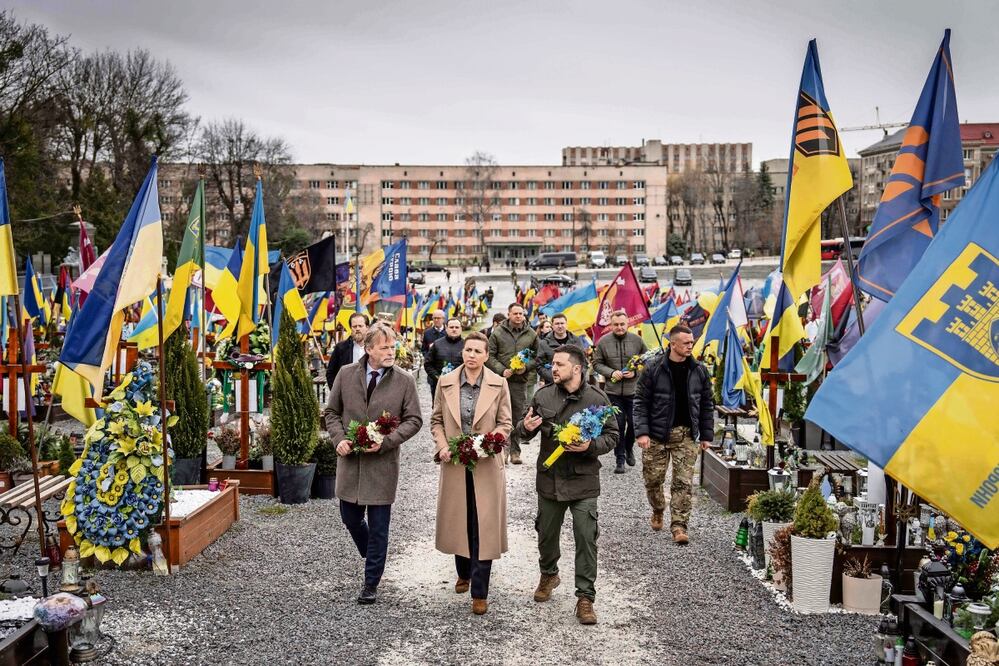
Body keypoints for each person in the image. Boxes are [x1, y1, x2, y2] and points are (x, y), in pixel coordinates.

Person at [515, 344, 618, 625]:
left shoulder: (598, 399)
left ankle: (585, 597)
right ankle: (549, 574)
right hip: (549, 480)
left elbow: (613, 436)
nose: (553, 369)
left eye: (559, 364)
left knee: (586, 538)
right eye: (553, 364)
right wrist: (525, 427)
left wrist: (589, 445)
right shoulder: (543, 394)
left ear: (576, 368)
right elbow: (522, 434)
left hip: (584, 480)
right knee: (546, 534)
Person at [326, 324, 424, 604]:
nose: (391, 352)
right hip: (351, 463)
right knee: (350, 518)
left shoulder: (404, 380)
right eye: (384, 347)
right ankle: (373, 554)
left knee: (380, 527)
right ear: (368, 349)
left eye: (393, 347)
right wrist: (339, 439)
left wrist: (388, 440)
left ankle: (371, 583)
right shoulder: (346, 375)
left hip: (383, 464)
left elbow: (414, 420)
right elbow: (332, 412)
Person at [431, 332, 512, 616]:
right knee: (459, 520)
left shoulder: (499, 383)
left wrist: (489, 443)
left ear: (487, 356)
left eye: (478, 351)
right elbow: (437, 420)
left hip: (486, 465)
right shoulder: (446, 382)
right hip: (455, 463)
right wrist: (442, 446)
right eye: (468, 350)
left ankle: (480, 591)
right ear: (462, 353)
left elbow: (505, 424)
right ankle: (463, 571)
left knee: (482, 526)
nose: (472, 355)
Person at [633, 324, 713, 545]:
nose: (690, 346)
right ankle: (658, 508)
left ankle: (679, 526)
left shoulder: (699, 370)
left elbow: (706, 404)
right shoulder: (653, 369)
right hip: (656, 436)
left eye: (692, 342)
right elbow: (640, 402)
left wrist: (706, 435)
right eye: (686, 343)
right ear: (673, 343)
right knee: (653, 480)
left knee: (683, 483)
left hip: (685, 436)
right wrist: (642, 433)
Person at [592, 310, 648, 474]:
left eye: (622, 324)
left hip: (634, 391)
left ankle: (629, 447)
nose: (619, 327)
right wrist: (610, 372)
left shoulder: (637, 341)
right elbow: (596, 363)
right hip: (613, 392)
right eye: (616, 324)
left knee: (634, 423)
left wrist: (636, 372)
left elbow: (647, 361)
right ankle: (620, 458)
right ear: (611, 325)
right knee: (618, 424)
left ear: (628, 324)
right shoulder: (603, 342)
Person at [486, 303, 539, 465]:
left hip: (519, 382)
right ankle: (501, 450)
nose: (518, 316)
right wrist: (502, 370)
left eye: (521, 313)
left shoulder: (531, 334)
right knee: (498, 415)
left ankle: (515, 451)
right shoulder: (498, 333)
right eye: (515, 313)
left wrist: (526, 367)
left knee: (517, 417)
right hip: (499, 381)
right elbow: (489, 356)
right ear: (508, 314)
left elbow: (538, 356)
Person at [425, 317, 465, 402]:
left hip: (460, 386)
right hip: (439, 385)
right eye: (451, 327)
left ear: (461, 329)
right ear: (446, 328)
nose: (454, 329)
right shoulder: (437, 344)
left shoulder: (466, 345)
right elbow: (428, 364)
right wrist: (437, 377)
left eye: (457, 327)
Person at [537, 313, 582, 386]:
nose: (560, 326)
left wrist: (576, 377)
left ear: (566, 324)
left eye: (562, 323)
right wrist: (555, 376)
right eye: (557, 324)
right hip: (552, 385)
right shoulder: (544, 343)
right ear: (552, 326)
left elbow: (583, 362)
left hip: (573, 384)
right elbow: (539, 366)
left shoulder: (576, 341)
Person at [326, 313, 369, 388]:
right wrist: (337, 393)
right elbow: (331, 373)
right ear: (350, 328)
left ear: (367, 327)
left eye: (360, 326)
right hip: (348, 393)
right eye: (354, 326)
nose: (357, 329)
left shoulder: (374, 347)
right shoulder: (341, 348)